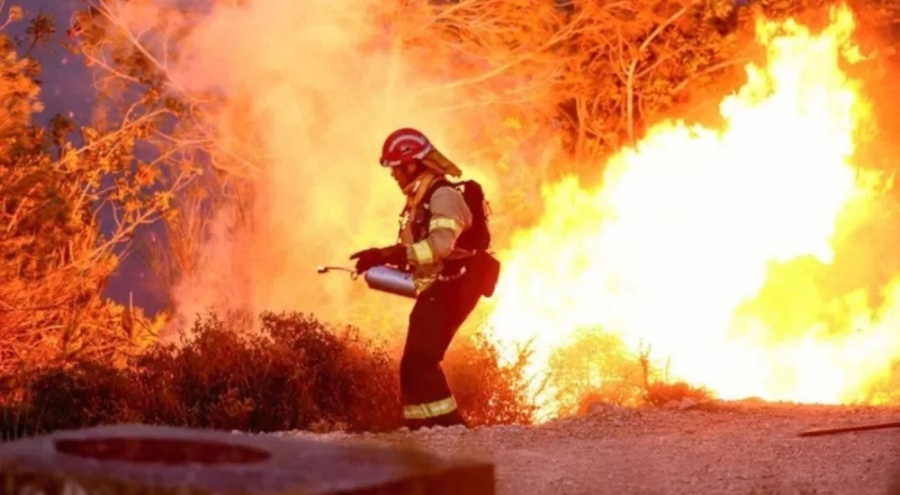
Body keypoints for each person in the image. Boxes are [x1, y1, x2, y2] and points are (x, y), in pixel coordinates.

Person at [350, 127, 490, 430]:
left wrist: (390, 254)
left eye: (397, 168)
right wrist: (380, 264)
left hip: (457, 283)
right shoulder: (421, 198)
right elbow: (420, 253)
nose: (394, 175)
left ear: (414, 164)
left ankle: (453, 431)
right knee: (412, 364)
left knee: (421, 360)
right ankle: (421, 429)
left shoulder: (443, 195)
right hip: (442, 285)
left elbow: (440, 246)